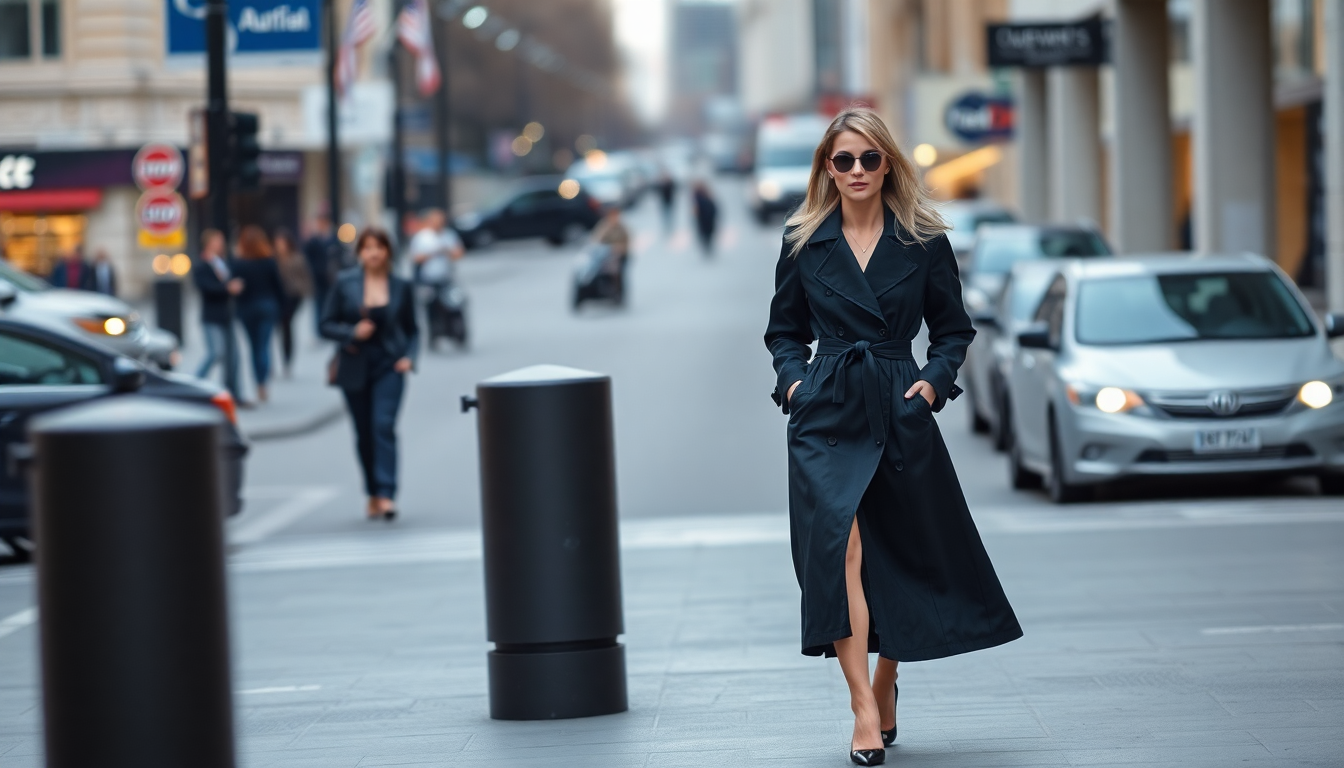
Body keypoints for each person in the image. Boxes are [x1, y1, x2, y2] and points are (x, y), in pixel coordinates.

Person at [764, 107, 1022, 766]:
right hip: (825, 412)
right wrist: (795, 385)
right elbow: (784, 332)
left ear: (888, 165)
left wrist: (932, 384)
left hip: (898, 403)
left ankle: (886, 676)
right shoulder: (803, 239)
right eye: (842, 159)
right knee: (839, 547)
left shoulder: (922, 239)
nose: (855, 171)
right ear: (827, 166)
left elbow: (954, 329)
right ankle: (862, 708)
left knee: (898, 553)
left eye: (868, 159)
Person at [321, 227, 419, 521]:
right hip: (354, 364)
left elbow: (413, 329)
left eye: (379, 247)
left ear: (388, 251)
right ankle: (373, 493)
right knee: (364, 433)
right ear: (360, 253)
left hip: (389, 364)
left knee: (383, 425)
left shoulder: (401, 285)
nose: (374, 253)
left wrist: (409, 358)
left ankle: (387, 494)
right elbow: (324, 324)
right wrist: (351, 332)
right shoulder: (345, 283)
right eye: (368, 248)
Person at [232, 225, 285, 403]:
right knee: (264, 345)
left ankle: (258, 382)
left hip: (247, 310)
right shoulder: (269, 261)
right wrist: (284, 309)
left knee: (254, 347)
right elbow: (278, 287)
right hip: (267, 307)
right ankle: (263, 383)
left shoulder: (239, 263)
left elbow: (236, 289)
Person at [192, 229, 242, 395]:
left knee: (233, 357)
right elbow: (205, 288)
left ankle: (233, 393)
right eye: (217, 241)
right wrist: (227, 288)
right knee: (216, 353)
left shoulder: (223, 262)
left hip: (227, 315)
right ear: (209, 243)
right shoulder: (202, 265)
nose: (221, 244)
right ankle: (193, 385)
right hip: (211, 316)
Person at [273, 229, 313, 377]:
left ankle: (287, 360)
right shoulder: (274, 259)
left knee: (287, 326)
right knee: (281, 328)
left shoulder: (297, 258)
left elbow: (306, 276)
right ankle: (278, 361)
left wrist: (304, 291)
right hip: (278, 297)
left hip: (293, 296)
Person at [303, 213, 342, 332]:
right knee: (318, 305)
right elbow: (307, 259)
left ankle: (331, 325)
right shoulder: (313, 241)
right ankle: (320, 329)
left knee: (331, 304)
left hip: (332, 278)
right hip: (318, 279)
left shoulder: (334, 239)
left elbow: (339, 257)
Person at [590, 205, 630, 304]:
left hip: (620, 256)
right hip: (606, 256)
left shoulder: (622, 228)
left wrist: (620, 248)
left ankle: (619, 296)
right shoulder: (604, 226)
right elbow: (596, 240)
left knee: (619, 275)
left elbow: (627, 243)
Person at [691, 181, 718, 256]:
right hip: (702, 220)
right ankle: (706, 248)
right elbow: (695, 211)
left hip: (708, 219)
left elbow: (714, 208)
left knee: (708, 235)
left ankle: (708, 248)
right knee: (704, 235)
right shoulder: (697, 197)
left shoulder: (708, 196)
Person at [654, 168, 676, 234]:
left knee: (669, 214)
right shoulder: (661, 184)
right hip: (663, 202)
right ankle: (666, 227)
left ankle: (670, 226)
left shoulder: (670, 183)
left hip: (669, 201)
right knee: (665, 215)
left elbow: (674, 188)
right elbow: (656, 190)